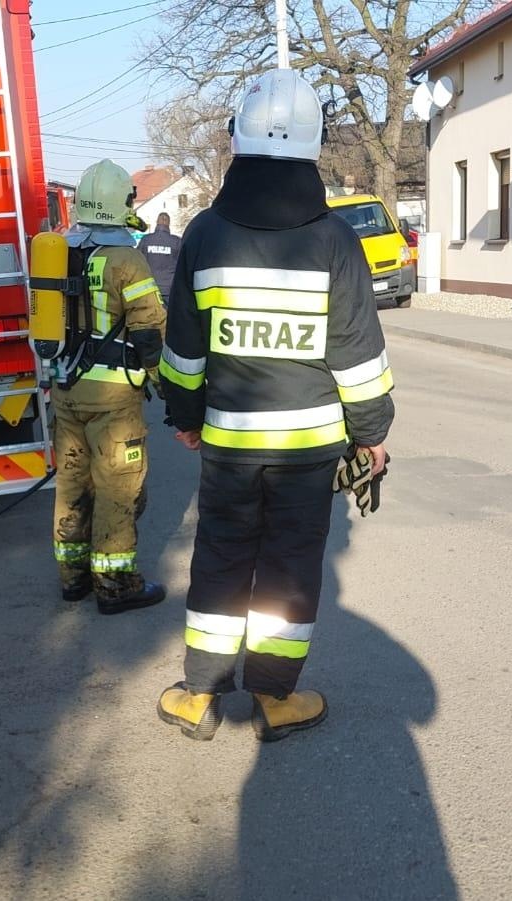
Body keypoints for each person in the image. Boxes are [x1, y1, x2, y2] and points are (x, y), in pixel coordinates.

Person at [155, 68, 394, 742]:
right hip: (308, 451)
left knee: (221, 558)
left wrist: (186, 416)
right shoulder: (335, 241)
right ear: (315, 144)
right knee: (288, 569)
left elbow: (184, 348)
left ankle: (199, 695)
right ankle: (275, 697)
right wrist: (371, 433)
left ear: (238, 139)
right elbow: (358, 355)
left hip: (231, 444)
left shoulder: (205, 234)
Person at [50, 159, 169, 614]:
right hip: (114, 399)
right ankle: (116, 586)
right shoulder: (126, 260)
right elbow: (148, 333)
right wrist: (167, 387)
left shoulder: (61, 251)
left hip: (66, 390)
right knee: (118, 489)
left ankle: (73, 578)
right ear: (122, 203)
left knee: (72, 484)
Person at [136, 211, 182, 300]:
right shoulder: (177, 241)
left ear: (157, 222)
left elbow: (137, 261)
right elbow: (182, 265)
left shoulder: (146, 240)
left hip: (149, 287)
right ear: (169, 223)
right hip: (169, 289)